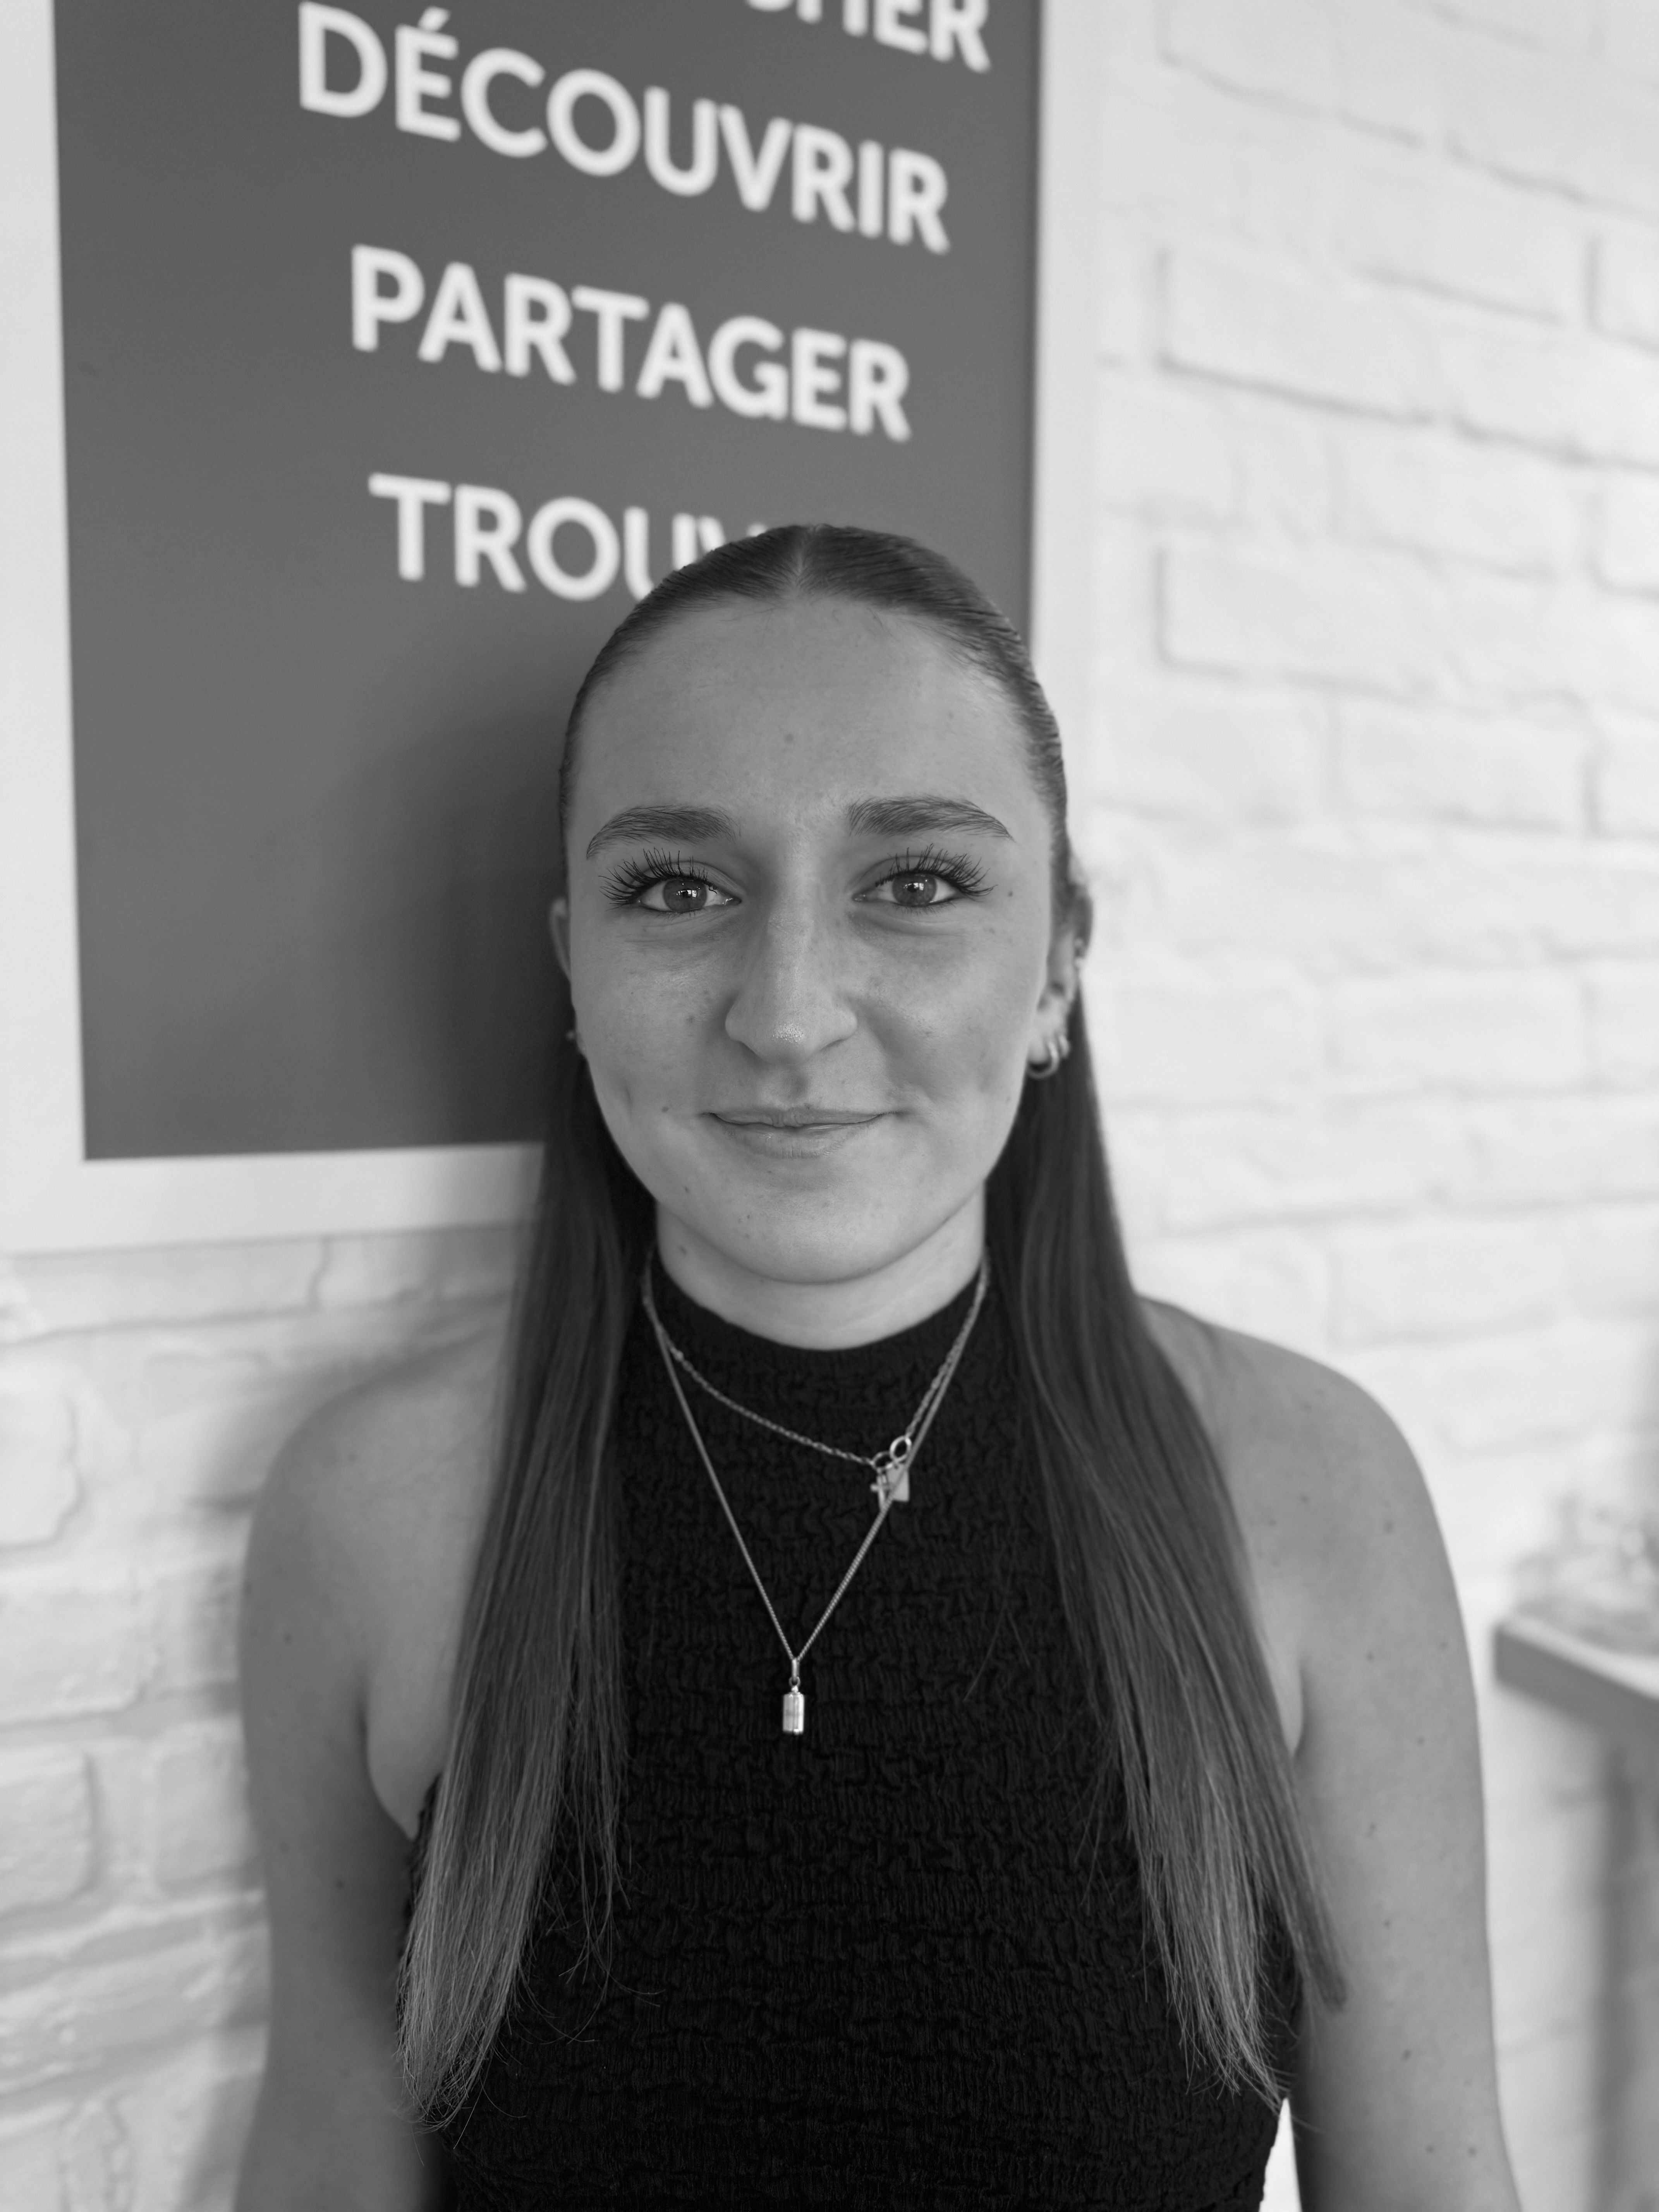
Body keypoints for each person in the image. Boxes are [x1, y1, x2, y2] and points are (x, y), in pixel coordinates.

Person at [237, 525, 1520, 2210]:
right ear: (574, 968)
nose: (787, 1013)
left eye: (914, 884)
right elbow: (328, 2155)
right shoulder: (375, 1512)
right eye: (676, 889)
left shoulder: (1306, 1489)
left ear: (1058, 962)